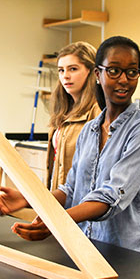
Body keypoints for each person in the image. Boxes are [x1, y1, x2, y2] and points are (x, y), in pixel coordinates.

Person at [0, 36, 140, 252]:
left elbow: (111, 196)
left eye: (132, 72)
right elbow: (71, 190)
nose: (124, 80)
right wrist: (30, 199)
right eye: (113, 71)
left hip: (130, 251)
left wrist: (56, 221)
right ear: (98, 75)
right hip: (89, 246)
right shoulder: (89, 130)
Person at [46, 41, 101, 190]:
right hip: (59, 197)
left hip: (83, 201)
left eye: (73, 69)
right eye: (61, 70)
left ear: (91, 71)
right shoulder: (64, 110)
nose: (65, 76)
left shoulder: (98, 111)